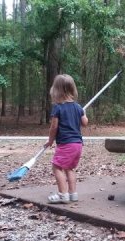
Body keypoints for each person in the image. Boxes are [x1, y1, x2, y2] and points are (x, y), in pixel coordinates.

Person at [44, 74, 88, 204]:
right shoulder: (78, 107)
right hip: (78, 144)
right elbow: (85, 123)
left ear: (56, 90)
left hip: (66, 144)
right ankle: (72, 194)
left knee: (57, 167)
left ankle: (63, 194)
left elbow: (54, 127)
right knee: (69, 168)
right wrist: (83, 113)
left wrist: (50, 140)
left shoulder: (58, 107)